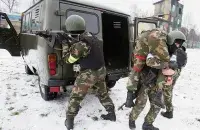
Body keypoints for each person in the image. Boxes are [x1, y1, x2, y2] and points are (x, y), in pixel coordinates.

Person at [62, 15, 116, 130]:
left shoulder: (79, 45)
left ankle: (69, 121)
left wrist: (65, 45)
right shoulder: (92, 36)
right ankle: (111, 114)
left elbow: (68, 60)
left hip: (88, 74)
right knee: (103, 93)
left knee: (76, 97)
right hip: (101, 71)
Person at [126, 29, 186, 130]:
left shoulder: (173, 53)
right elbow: (150, 61)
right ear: (171, 40)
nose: (178, 46)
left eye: (179, 44)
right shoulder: (157, 46)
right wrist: (166, 64)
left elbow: (174, 69)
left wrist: (172, 70)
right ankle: (131, 120)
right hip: (147, 81)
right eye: (176, 43)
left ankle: (147, 124)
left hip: (158, 85)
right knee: (140, 104)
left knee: (157, 105)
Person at [161, 43, 188, 119]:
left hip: (172, 72)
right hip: (178, 72)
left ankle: (169, 111)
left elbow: (169, 62)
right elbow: (184, 64)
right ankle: (165, 104)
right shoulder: (184, 53)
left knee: (167, 90)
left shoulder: (175, 51)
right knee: (170, 89)